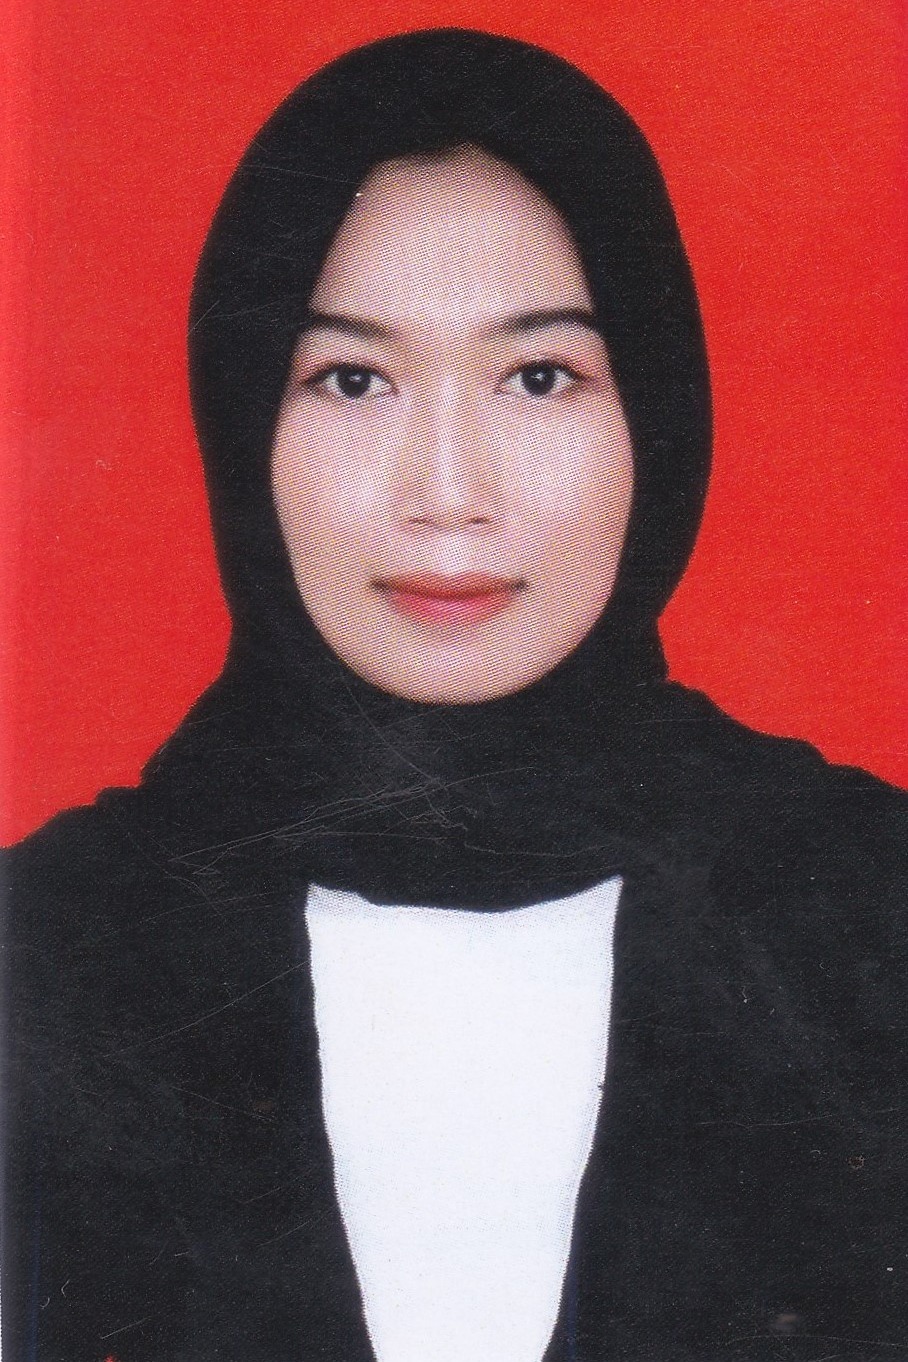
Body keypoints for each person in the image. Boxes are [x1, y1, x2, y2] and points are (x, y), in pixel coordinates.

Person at [2, 28, 906, 1362]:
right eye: (353, 378)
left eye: (538, 377)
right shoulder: (44, 950)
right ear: (243, 418)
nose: (447, 491)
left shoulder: (871, 907)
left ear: (655, 418)